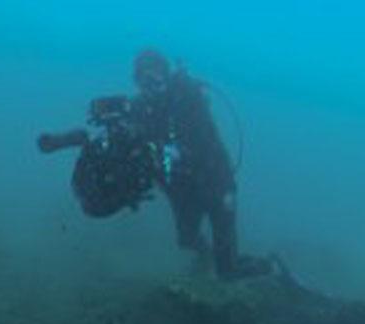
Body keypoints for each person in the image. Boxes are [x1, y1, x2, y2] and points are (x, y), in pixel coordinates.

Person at [39, 49, 274, 280]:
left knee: (227, 270)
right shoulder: (139, 107)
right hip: (182, 189)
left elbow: (201, 141)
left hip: (215, 183)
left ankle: (267, 268)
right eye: (141, 79)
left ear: (166, 74)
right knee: (187, 240)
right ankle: (207, 258)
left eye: (154, 76)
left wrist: (170, 150)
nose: (148, 84)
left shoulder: (188, 98)